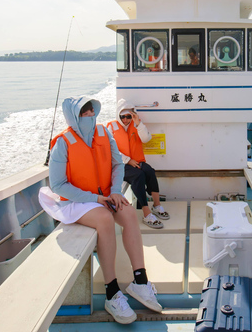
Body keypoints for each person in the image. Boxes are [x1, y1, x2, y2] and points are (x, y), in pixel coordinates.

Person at [39, 97, 162, 324]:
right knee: (105, 219)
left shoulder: (104, 134)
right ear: (73, 117)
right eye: (83, 114)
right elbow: (57, 185)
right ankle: (112, 292)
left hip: (106, 195)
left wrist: (115, 191)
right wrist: (95, 198)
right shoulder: (62, 144)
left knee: (127, 213)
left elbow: (117, 164)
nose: (89, 117)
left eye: (91, 113)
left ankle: (140, 281)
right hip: (76, 201)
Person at [106, 99, 169, 229]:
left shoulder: (137, 125)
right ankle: (146, 214)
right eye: (122, 117)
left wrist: (138, 123)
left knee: (150, 171)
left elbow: (146, 139)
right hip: (121, 164)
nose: (125, 120)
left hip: (138, 161)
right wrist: (127, 160)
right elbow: (110, 149)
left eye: (128, 116)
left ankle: (157, 205)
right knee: (138, 176)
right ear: (118, 115)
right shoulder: (111, 127)